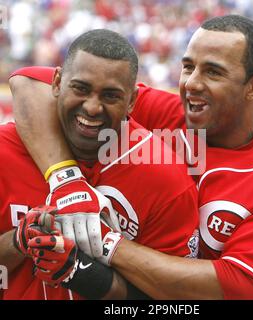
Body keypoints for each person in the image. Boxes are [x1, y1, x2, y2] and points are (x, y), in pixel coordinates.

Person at [9, 14, 253, 300]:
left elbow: (237, 287)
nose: (192, 83)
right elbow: (30, 84)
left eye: (213, 72)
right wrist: (66, 181)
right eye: (188, 67)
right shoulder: (169, 113)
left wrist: (106, 241)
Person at [0, 29, 199, 300]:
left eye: (110, 96)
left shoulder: (166, 179)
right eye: (80, 89)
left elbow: (177, 300)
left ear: (131, 101)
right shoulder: (6, 151)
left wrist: (89, 274)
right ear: (57, 82)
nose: (92, 107)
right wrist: (17, 242)